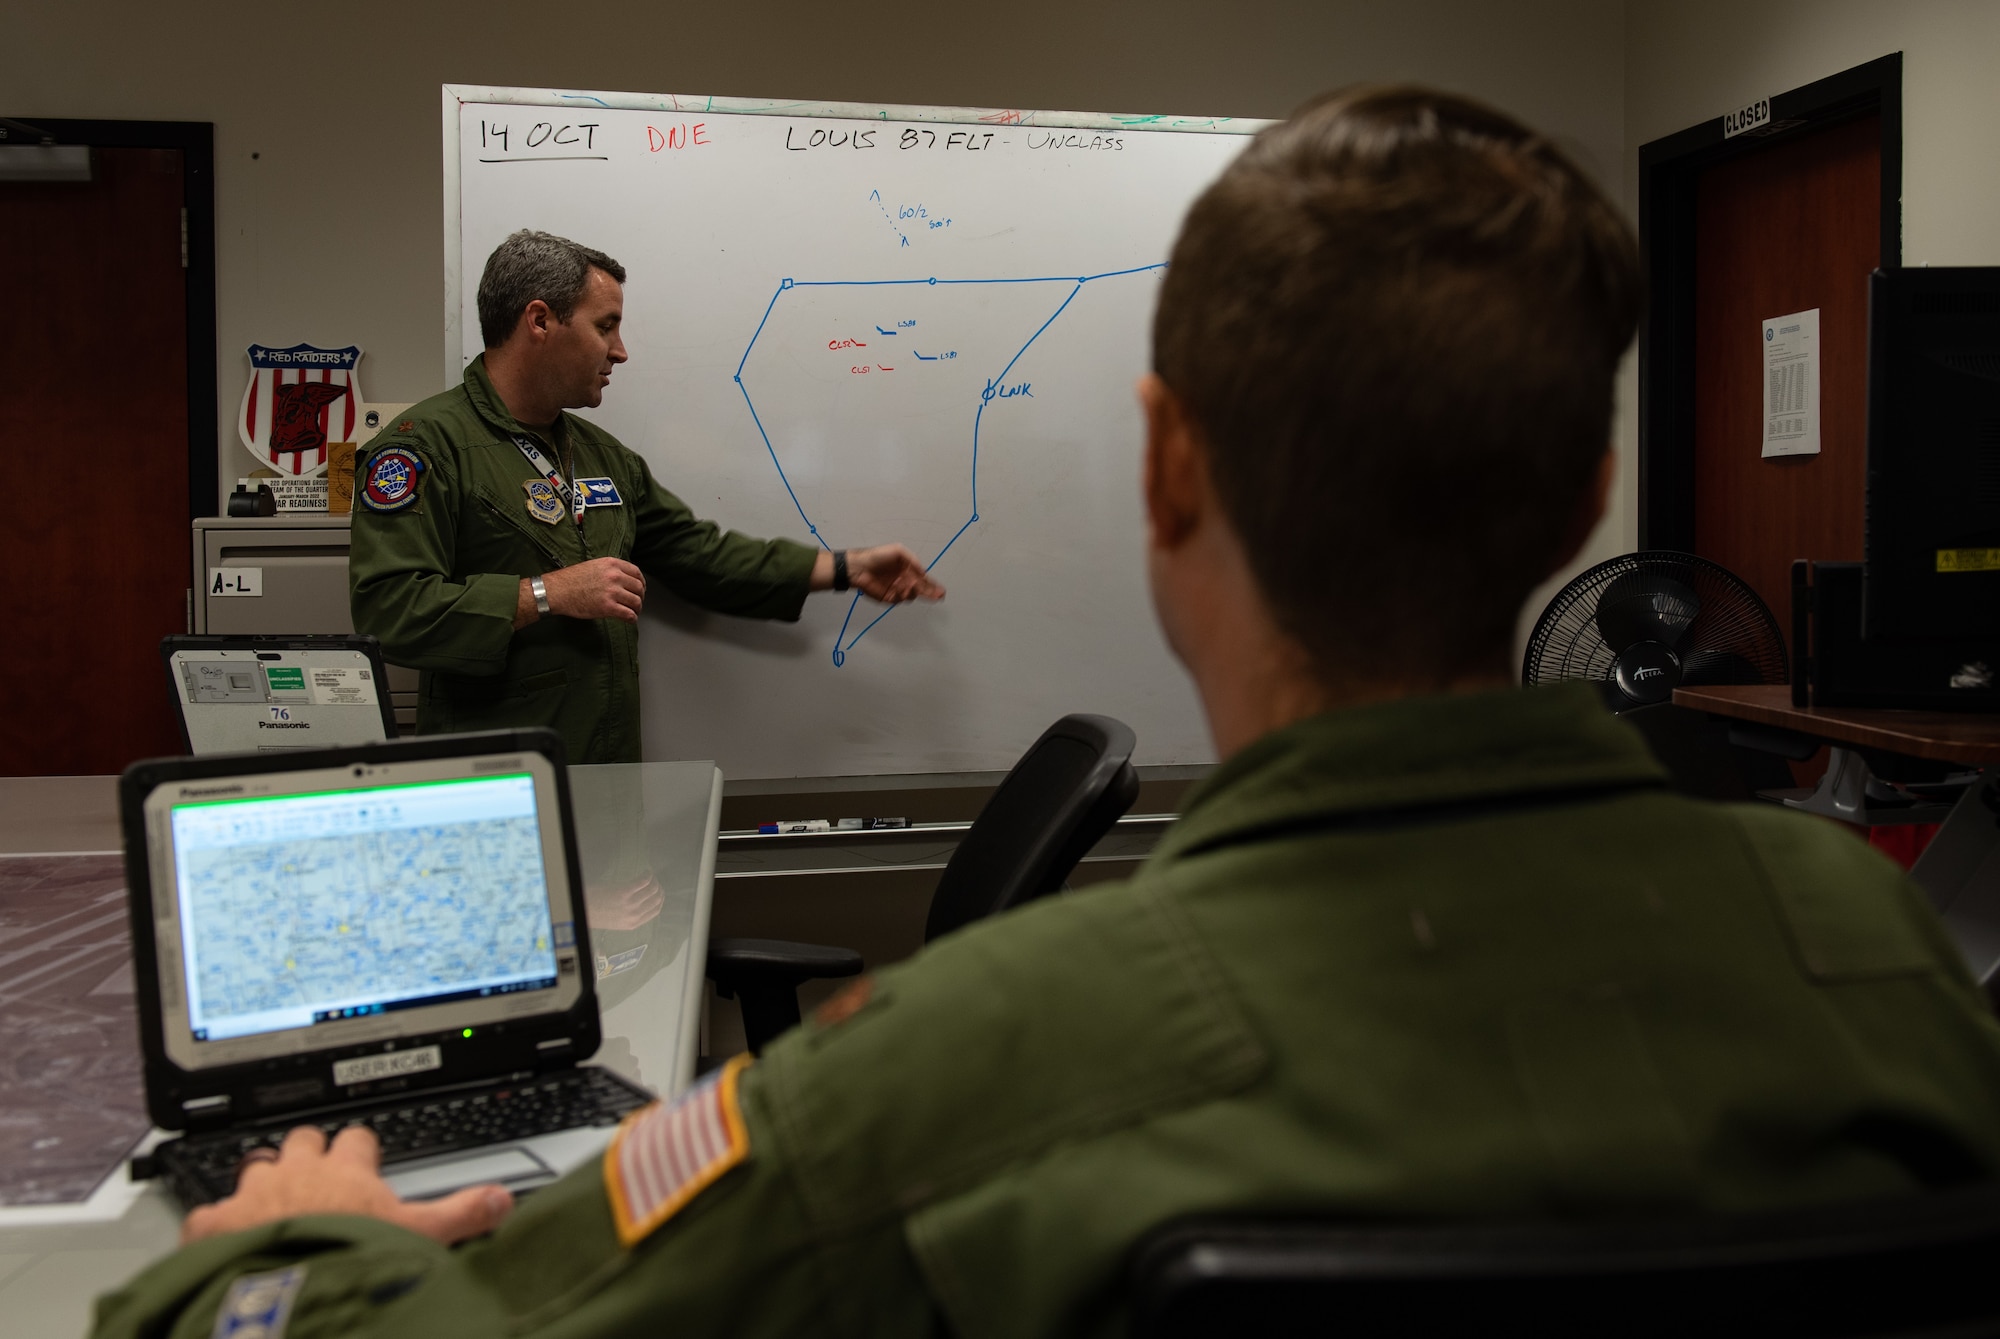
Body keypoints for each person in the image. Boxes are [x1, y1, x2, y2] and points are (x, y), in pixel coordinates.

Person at [96, 87, 2000, 1339]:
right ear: (1591, 489)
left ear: (1167, 472)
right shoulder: (1889, 958)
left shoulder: (940, 1062)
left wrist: (285, 1238)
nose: (618, 343)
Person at [347, 230, 944, 764]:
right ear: (539, 321)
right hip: (495, 795)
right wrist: (547, 595)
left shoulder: (602, 455)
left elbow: (700, 556)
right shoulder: (424, 448)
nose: (620, 350)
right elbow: (392, 612)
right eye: (605, 325)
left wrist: (845, 567)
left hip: (607, 777)